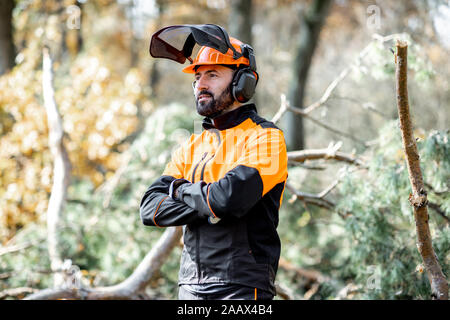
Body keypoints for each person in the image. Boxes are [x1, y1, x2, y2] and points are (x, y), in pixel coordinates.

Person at [140, 32, 288, 300]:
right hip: (190, 286)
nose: (201, 85)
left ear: (243, 84)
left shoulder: (266, 138)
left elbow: (228, 198)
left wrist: (179, 188)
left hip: (241, 286)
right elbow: (150, 208)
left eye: (212, 75)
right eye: (197, 77)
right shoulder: (192, 145)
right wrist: (207, 203)